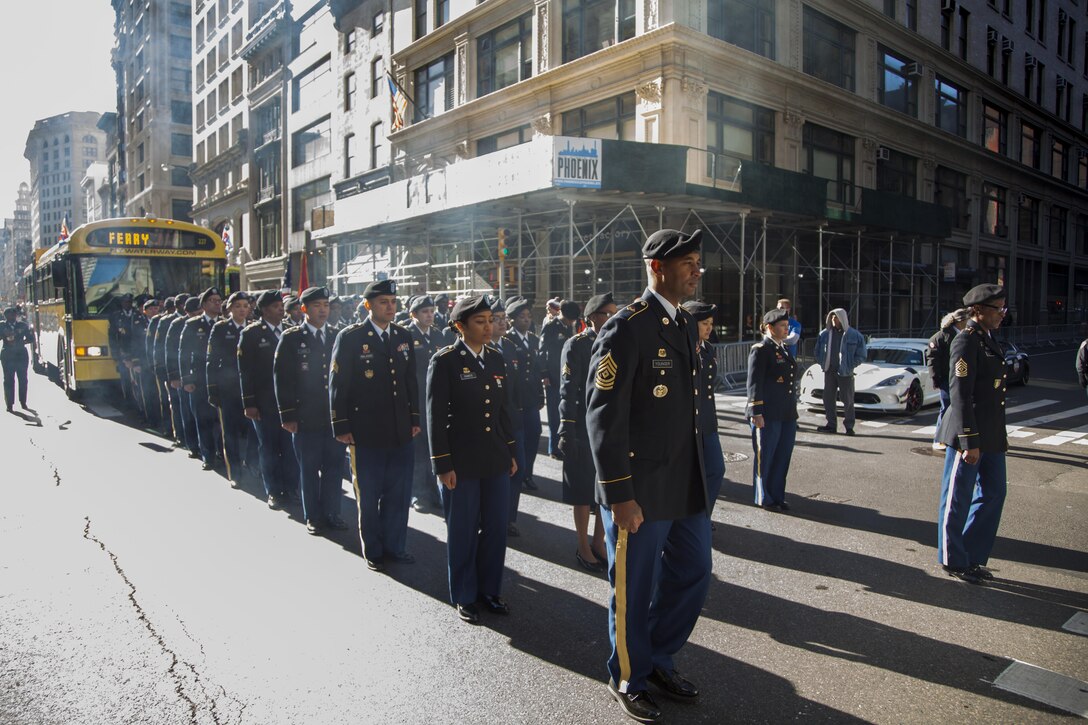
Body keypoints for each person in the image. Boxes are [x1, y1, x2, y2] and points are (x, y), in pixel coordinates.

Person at [586, 228, 711, 723]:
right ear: (658, 267)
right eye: (689, 263)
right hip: (639, 488)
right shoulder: (626, 327)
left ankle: (657, 656)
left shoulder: (682, 323)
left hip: (683, 484)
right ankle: (629, 675)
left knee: (694, 574)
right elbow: (603, 417)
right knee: (634, 587)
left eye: (698, 262)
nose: (697, 270)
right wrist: (619, 496)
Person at [426, 295, 518, 624]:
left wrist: (510, 451)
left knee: (494, 528)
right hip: (461, 462)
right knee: (463, 530)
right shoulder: (445, 360)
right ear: (460, 326)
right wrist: (443, 464)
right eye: (480, 322)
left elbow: (503, 410)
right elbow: (435, 417)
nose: (488, 327)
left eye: (490, 320)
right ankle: (465, 594)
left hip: (494, 457)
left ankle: (489, 590)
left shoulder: (496, 359)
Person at [331, 279, 420, 571]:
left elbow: (411, 382)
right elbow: (338, 385)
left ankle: (396, 545)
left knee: (399, 492)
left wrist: (415, 419)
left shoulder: (403, 335)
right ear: (368, 305)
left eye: (394, 302)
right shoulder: (352, 337)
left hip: (400, 429)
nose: (391, 307)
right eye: (384, 302)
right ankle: (373, 548)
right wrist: (341, 424)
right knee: (369, 494)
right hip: (366, 431)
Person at [935, 284, 1010, 585]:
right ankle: (953, 559)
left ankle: (973, 555)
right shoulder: (966, 341)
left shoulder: (988, 340)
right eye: (998, 309)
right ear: (978, 311)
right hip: (969, 434)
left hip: (991, 435)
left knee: (994, 493)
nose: (1003, 314)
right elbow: (961, 396)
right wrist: (969, 440)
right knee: (957, 498)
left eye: (1004, 308)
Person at [274, 286, 347, 536]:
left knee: (334, 467)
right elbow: (282, 379)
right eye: (317, 306)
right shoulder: (292, 337)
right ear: (304, 309)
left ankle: (332, 512)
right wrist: (288, 415)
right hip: (306, 417)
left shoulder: (338, 335)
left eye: (326, 305)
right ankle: (313, 515)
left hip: (334, 417)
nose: (323, 310)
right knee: (309, 468)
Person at [557, 292, 616, 573]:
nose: (612, 318)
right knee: (581, 489)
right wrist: (566, 428)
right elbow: (568, 388)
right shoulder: (576, 345)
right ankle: (582, 545)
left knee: (604, 488)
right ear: (592, 317)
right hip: (581, 426)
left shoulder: (618, 341)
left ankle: (598, 541)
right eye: (606, 314)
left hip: (608, 427)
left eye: (614, 313)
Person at [239, 290, 299, 509]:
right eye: (275, 306)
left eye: (281, 306)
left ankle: (292, 487)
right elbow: (245, 372)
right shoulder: (252, 333)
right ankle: (273, 490)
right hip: (264, 402)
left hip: (288, 401)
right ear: (264, 310)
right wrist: (250, 403)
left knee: (290, 448)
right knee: (269, 448)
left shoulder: (291, 332)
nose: (281, 310)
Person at [746, 309, 799, 512]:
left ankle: (777, 495)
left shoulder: (783, 348)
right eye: (783, 326)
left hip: (786, 413)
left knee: (782, 456)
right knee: (765, 456)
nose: (787, 329)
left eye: (787, 325)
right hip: (767, 413)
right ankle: (763, 496)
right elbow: (754, 383)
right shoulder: (761, 349)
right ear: (770, 327)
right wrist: (756, 412)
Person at [488, 299, 527, 537]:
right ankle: (493, 519)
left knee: (517, 471)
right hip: (491, 423)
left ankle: (508, 518)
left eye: (504, 318)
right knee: (496, 474)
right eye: (496, 319)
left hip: (513, 421)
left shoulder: (510, 347)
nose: (503, 323)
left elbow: (517, 386)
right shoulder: (482, 349)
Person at [406, 295, 448, 513]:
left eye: (431, 311)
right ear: (414, 315)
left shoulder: (439, 335)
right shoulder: (406, 335)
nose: (430, 315)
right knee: (418, 451)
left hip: (435, 401)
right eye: (424, 312)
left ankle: (434, 492)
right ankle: (418, 494)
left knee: (435, 448)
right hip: (415, 401)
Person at [684, 300, 725, 515]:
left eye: (711, 323)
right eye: (704, 323)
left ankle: (703, 514)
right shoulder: (681, 348)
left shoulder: (707, 348)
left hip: (707, 421)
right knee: (688, 476)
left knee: (716, 469)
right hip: (686, 424)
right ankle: (691, 519)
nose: (709, 328)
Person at [207, 292, 252, 486]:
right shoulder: (220, 328)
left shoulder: (253, 329)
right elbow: (211, 361)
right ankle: (235, 472)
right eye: (237, 306)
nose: (242, 309)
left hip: (249, 389)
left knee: (252, 432)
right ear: (230, 309)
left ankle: (251, 464)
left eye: (245, 306)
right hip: (228, 389)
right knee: (230, 433)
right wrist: (212, 390)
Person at [180, 288, 224, 471]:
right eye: (213, 300)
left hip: (221, 380)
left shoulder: (225, 325)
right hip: (199, 379)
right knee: (203, 419)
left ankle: (223, 452)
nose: (217, 303)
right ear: (204, 305)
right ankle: (208, 455)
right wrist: (186, 379)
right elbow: (184, 353)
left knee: (220, 420)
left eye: (219, 300)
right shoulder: (192, 325)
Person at [506, 299, 544, 491]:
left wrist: (540, 394)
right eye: (522, 317)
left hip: (530, 398)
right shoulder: (508, 340)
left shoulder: (534, 339)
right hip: (515, 398)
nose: (526, 320)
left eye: (528, 316)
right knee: (517, 439)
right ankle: (517, 473)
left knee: (534, 434)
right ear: (512, 320)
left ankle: (527, 473)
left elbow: (536, 370)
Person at [813, 308, 867, 435]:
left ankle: (849, 426)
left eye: (835, 317)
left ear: (842, 319)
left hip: (845, 373)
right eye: (831, 318)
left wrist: (850, 365)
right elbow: (817, 351)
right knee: (828, 399)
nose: (833, 320)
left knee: (847, 399)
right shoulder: (824, 334)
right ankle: (831, 425)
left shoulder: (854, 335)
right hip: (829, 371)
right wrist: (822, 363)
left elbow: (862, 354)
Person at [540, 300, 579, 459]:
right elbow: (542, 352)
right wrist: (544, 374)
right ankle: (553, 448)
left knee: (564, 411)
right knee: (554, 414)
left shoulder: (569, 327)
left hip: (565, 374)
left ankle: (563, 442)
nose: (571, 321)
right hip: (553, 375)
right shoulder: (550, 326)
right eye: (569, 318)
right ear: (562, 313)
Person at [927, 308, 969, 450]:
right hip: (947, 379)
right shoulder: (941, 337)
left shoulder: (965, 335)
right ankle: (939, 439)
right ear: (960, 322)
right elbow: (933, 360)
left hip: (960, 378)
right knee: (946, 409)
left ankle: (954, 438)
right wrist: (936, 379)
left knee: (959, 408)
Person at [168, 297, 203, 459]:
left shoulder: (205, 324)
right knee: (187, 413)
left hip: (200, 376)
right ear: (187, 312)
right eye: (195, 311)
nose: (199, 314)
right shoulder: (177, 325)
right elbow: (172, 353)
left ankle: (207, 447)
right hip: (184, 375)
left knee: (203, 415)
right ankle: (192, 445)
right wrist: (175, 376)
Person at [1, 306, 34, 412]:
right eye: (9, 315)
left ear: (16, 316)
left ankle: (23, 402)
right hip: (7, 355)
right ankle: (9, 404)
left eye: (13, 314)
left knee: (23, 379)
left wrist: (22, 342)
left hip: (21, 354)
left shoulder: (23, 325)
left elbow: (31, 338)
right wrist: (5, 336)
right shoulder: (1, 325)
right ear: (5, 316)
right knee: (9, 380)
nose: (11, 317)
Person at [107, 293, 138, 406]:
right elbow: (112, 337)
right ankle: (129, 402)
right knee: (125, 380)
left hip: (136, 353)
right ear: (121, 304)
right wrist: (115, 354)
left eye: (129, 302)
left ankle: (137, 402)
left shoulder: (137, 315)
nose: (127, 304)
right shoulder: (116, 317)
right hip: (123, 353)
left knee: (137, 381)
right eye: (125, 302)